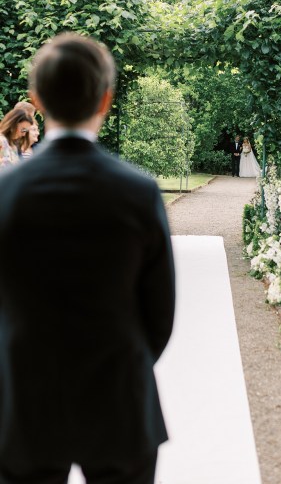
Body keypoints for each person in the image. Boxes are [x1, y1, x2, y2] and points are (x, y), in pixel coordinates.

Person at [0, 33, 175, 483]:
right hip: (118, 394)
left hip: (23, 400)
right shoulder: (137, 190)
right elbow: (159, 312)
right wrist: (123, 361)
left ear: (36, 100)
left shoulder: (6, 193)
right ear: (106, 99)